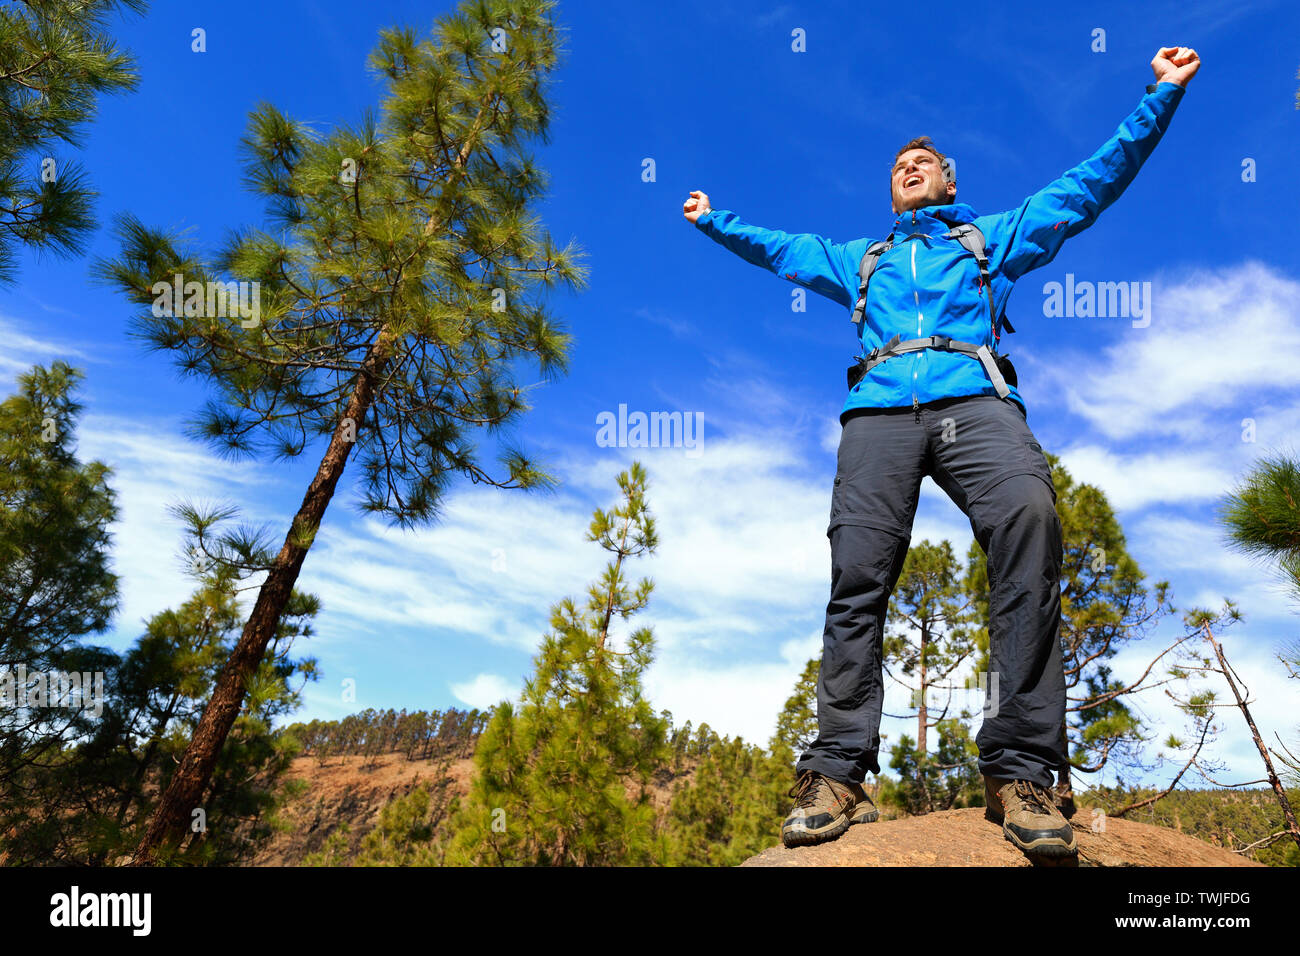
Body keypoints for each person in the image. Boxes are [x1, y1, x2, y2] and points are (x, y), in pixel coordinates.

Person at [683, 46, 1199, 857]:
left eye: (924, 161)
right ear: (891, 190)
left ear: (950, 183)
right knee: (858, 576)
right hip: (879, 412)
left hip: (974, 399)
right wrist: (715, 221)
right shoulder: (862, 259)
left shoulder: (989, 240)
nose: (910, 165)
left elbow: (1092, 183)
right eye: (899, 164)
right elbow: (776, 246)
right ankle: (838, 774)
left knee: (1028, 521)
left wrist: (1159, 95)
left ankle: (1022, 771)